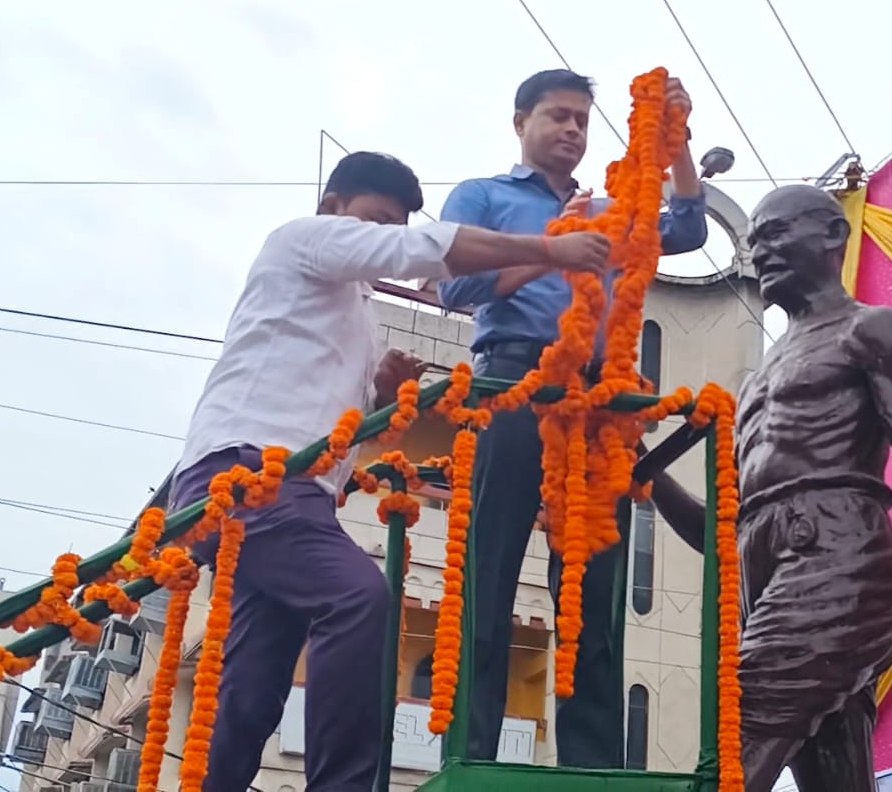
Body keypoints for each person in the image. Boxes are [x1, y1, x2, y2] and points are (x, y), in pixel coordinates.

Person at [167, 151, 611, 792]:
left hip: (293, 496)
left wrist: (380, 388)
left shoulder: (357, 316)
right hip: (246, 475)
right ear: (333, 210)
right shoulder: (299, 241)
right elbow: (430, 250)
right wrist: (552, 251)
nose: (383, 241)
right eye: (376, 223)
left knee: (252, 683)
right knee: (358, 598)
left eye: (394, 226)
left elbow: (345, 413)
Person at [642, 185, 892, 791]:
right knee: (833, 770)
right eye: (755, 244)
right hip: (763, 563)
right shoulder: (755, 383)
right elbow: (720, 531)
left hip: (837, 550)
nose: (762, 253)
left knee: (742, 725)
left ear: (832, 236)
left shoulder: (869, 331)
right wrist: (640, 465)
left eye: (775, 234)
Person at [437, 68, 710, 767]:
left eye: (583, 121)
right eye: (558, 116)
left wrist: (675, 141)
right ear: (520, 121)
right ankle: (472, 753)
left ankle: (593, 763)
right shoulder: (486, 195)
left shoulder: (610, 206)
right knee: (490, 573)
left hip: (597, 402)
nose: (572, 131)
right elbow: (457, 284)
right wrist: (553, 248)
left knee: (592, 587)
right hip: (515, 380)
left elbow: (684, 223)